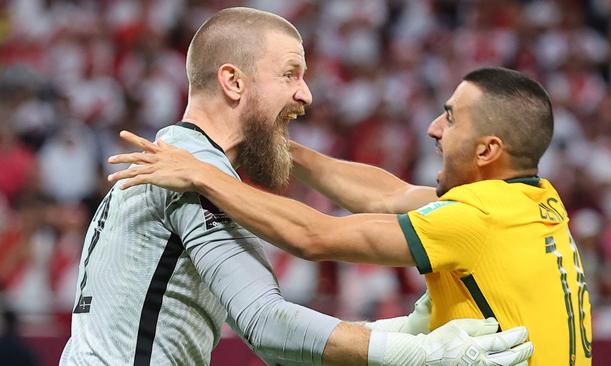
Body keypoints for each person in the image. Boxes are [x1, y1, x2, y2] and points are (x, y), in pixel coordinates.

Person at [61, 8, 533, 366]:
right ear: (232, 81)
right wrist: (418, 353)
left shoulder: (178, 159)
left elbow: (383, 196)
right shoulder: (194, 174)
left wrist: (403, 331)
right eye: (290, 74)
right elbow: (266, 324)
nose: (306, 93)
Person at [108, 67, 592, 366]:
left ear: (488, 149)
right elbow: (388, 195)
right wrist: (280, 148)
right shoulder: (531, 203)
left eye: (450, 117)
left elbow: (313, 236)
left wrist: (202, 174)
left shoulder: (475, 220)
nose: (433, 128)